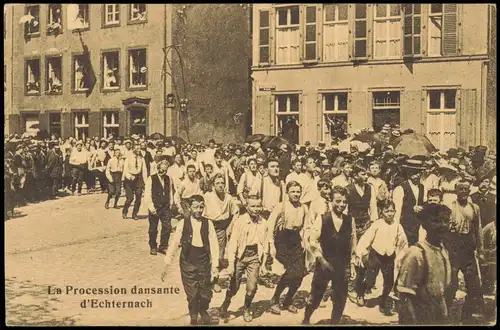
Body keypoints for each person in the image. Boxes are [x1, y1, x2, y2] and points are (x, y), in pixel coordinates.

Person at [303, 185, 357, 325]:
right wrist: (321, 259)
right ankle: (306, 319)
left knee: (340, 298)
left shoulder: (350, 220)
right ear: (331, 201)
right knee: (316, 294)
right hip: (325, 263)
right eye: (338, 201)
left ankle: (334, 322)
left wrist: (351, 265)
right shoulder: (323, 219)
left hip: (342, 264)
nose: (341, 204)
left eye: (344, 202)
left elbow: (353, 243)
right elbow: (312, 241)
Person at [162, 195, 219, 325]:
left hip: (203, 261)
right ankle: (193, 313)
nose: (199, 210)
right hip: (187, 261)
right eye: (196, 207)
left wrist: (215, 265)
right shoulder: (183, 223)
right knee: (192, 293)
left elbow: (214, 244)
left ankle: (203, 310)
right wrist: (167, 263)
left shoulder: (208, 223)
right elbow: (174, 243)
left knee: (205, 292)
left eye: (201, 207)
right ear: (189, 207)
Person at [396, 203, 452, 325]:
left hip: (438, 314)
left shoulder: (443, 250)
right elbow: (406, 297)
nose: (442, 225)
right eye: (436, 221)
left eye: (446, 221)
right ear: (424, 224)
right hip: (421, 316)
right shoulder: (416, 253)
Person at [219, 195, 269, 322]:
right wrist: (231, 264)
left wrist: (263, 264)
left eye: (258, 206)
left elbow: (266, 244)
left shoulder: (263, 222)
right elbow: (232, 244)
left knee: (252, 288)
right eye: (253, 206)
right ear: (246, 207)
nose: (256, 209)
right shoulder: (240, 222)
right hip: (240, 257)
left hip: (254, 257)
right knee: (234, 286)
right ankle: (225, 303)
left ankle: (247, 308)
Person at [354, 200, 408, 314]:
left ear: (395, 212)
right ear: (381, 212)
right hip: (376, 255)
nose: (389, 214)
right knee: (370, 280)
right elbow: (366, 238)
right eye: (387, 211)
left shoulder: (397, 226)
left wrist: (402, 256)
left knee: (389, 281)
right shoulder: (377, 224)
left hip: (389, 257)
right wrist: (360, 253)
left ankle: (383, 302)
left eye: (392, 211)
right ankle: (360, 293)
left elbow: (403, 243)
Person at [443, 180, 486, 324]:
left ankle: (467, 315)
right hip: (454, 248)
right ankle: (446, 314)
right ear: (455, 191)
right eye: (460, 188)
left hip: (468, 249)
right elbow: (444, 229)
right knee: (451, 283)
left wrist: (481, 250)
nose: (463, 191)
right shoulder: (450, 207)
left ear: (469, 191)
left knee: (473, 283)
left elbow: (478, 230)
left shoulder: (475, 208)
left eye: (465, 189)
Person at [267, 181, 308, 315]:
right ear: (287, 193)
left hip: (296, 240)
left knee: (300, 274)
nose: (296, 194)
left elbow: (306, 227)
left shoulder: (304, 208)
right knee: (291, 272)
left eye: (298, 191)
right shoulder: (281, 207)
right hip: (282, 240)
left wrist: (305, 242)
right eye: (293, 191)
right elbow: (270, 226)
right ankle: (275, 299)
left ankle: (288, 300)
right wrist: (271, 245)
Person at [202, 173, 239, 291]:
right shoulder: (207, 196)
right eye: (217, 183)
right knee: (207, 253)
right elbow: (201, 211)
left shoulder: (228, 198)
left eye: (222, 183)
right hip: (209, 226)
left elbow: (236, 212)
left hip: (222, 228)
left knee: (219, 254)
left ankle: (215, 281)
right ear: (213, 185)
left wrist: (230, 227)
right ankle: (205, 279)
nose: (220, 185)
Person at [393, 159, 426, 246]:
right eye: (415, 172)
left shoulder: (422, 187)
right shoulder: (401, 188)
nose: (418, 175)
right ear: (408, 173)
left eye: (419, 172)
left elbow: (424, 202)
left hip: (417, 223)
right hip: (405, 223)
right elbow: (397, 210)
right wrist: (396, 227)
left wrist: (422, 208)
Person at [144, 160, 174, 255]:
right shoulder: (151, 179)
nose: (163, 172)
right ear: (158, 168)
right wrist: (151, 207)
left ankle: (163, 246)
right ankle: (153, 246)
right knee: (153, 229)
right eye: (162, 169)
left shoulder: (168, 179)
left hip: (165, 207)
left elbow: (170, 192)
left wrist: (171, 203)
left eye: (165, 170)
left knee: (167, 227)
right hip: (155, 207)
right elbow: (147, 194)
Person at [346, 164, 378, 240]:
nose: (366, 177)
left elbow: (373, 208)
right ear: (355, 175)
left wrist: (373, 223)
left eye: (367, 174)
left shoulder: (370, 188)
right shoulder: (348, 189)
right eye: (363, 174)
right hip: (352, 223)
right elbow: (345, 210)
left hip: (366, 223)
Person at [122, 143, 148, 220]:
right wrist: (129, 177)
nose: (138, 150)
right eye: (137, 149)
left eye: (139, 149)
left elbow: (144, 171)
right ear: (133, 149)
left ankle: (135, 214)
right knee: (130, 198)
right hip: (129, 179)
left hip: (138, 179)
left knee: (138, 197)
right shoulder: (128, 158)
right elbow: (125, 170)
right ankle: (125, 211)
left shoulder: (141, 159)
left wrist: (145, 182)